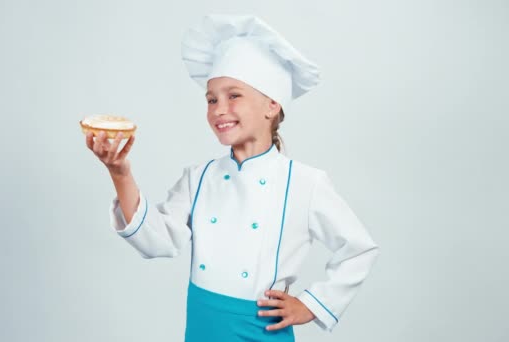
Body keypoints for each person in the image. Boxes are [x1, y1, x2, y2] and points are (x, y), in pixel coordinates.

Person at [85, 14, 380, 341]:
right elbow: (158, 242)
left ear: (271, 104)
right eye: (211, 99)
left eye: (233, 95)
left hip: (260, 330)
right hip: (202, 327)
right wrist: (120, 173)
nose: (217, 109)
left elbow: (358, 248)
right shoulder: (199, 178)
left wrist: (312, 305)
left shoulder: (304, 183)